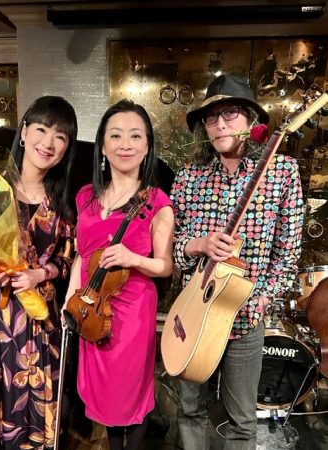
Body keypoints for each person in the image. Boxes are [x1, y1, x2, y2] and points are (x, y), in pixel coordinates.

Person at [170, 74, 304, 450]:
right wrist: (197, 245)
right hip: (193, 315)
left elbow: (288, 254)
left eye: (230, 113)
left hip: (244, 319)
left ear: (250, 120)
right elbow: (171, 248)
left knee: (242, 421)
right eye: (211, 117)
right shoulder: (188, 178)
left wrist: (261, 300)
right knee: (189, 410)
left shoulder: (281, 173)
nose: (220, 124)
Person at [62, 99, 174, 450]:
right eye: (116, 135)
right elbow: (82, 255)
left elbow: (165, 265)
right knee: (106, 395)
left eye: (135, 136)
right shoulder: (85, 196)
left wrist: (133, 258)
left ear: (147, 147)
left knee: (130, 393)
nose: (125, 144)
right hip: (92, 306)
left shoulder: (157, 201)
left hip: (132, 311)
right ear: (102, 146)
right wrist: (70, 299)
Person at [0, 95, 78, 449]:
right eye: (42, 130)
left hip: (38, 311)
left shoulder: (63, 199)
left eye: (60, 137)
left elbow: (68, 260)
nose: (48, 143)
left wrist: (39, 274)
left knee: (37, 392)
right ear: (25, 130)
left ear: (67, 147)